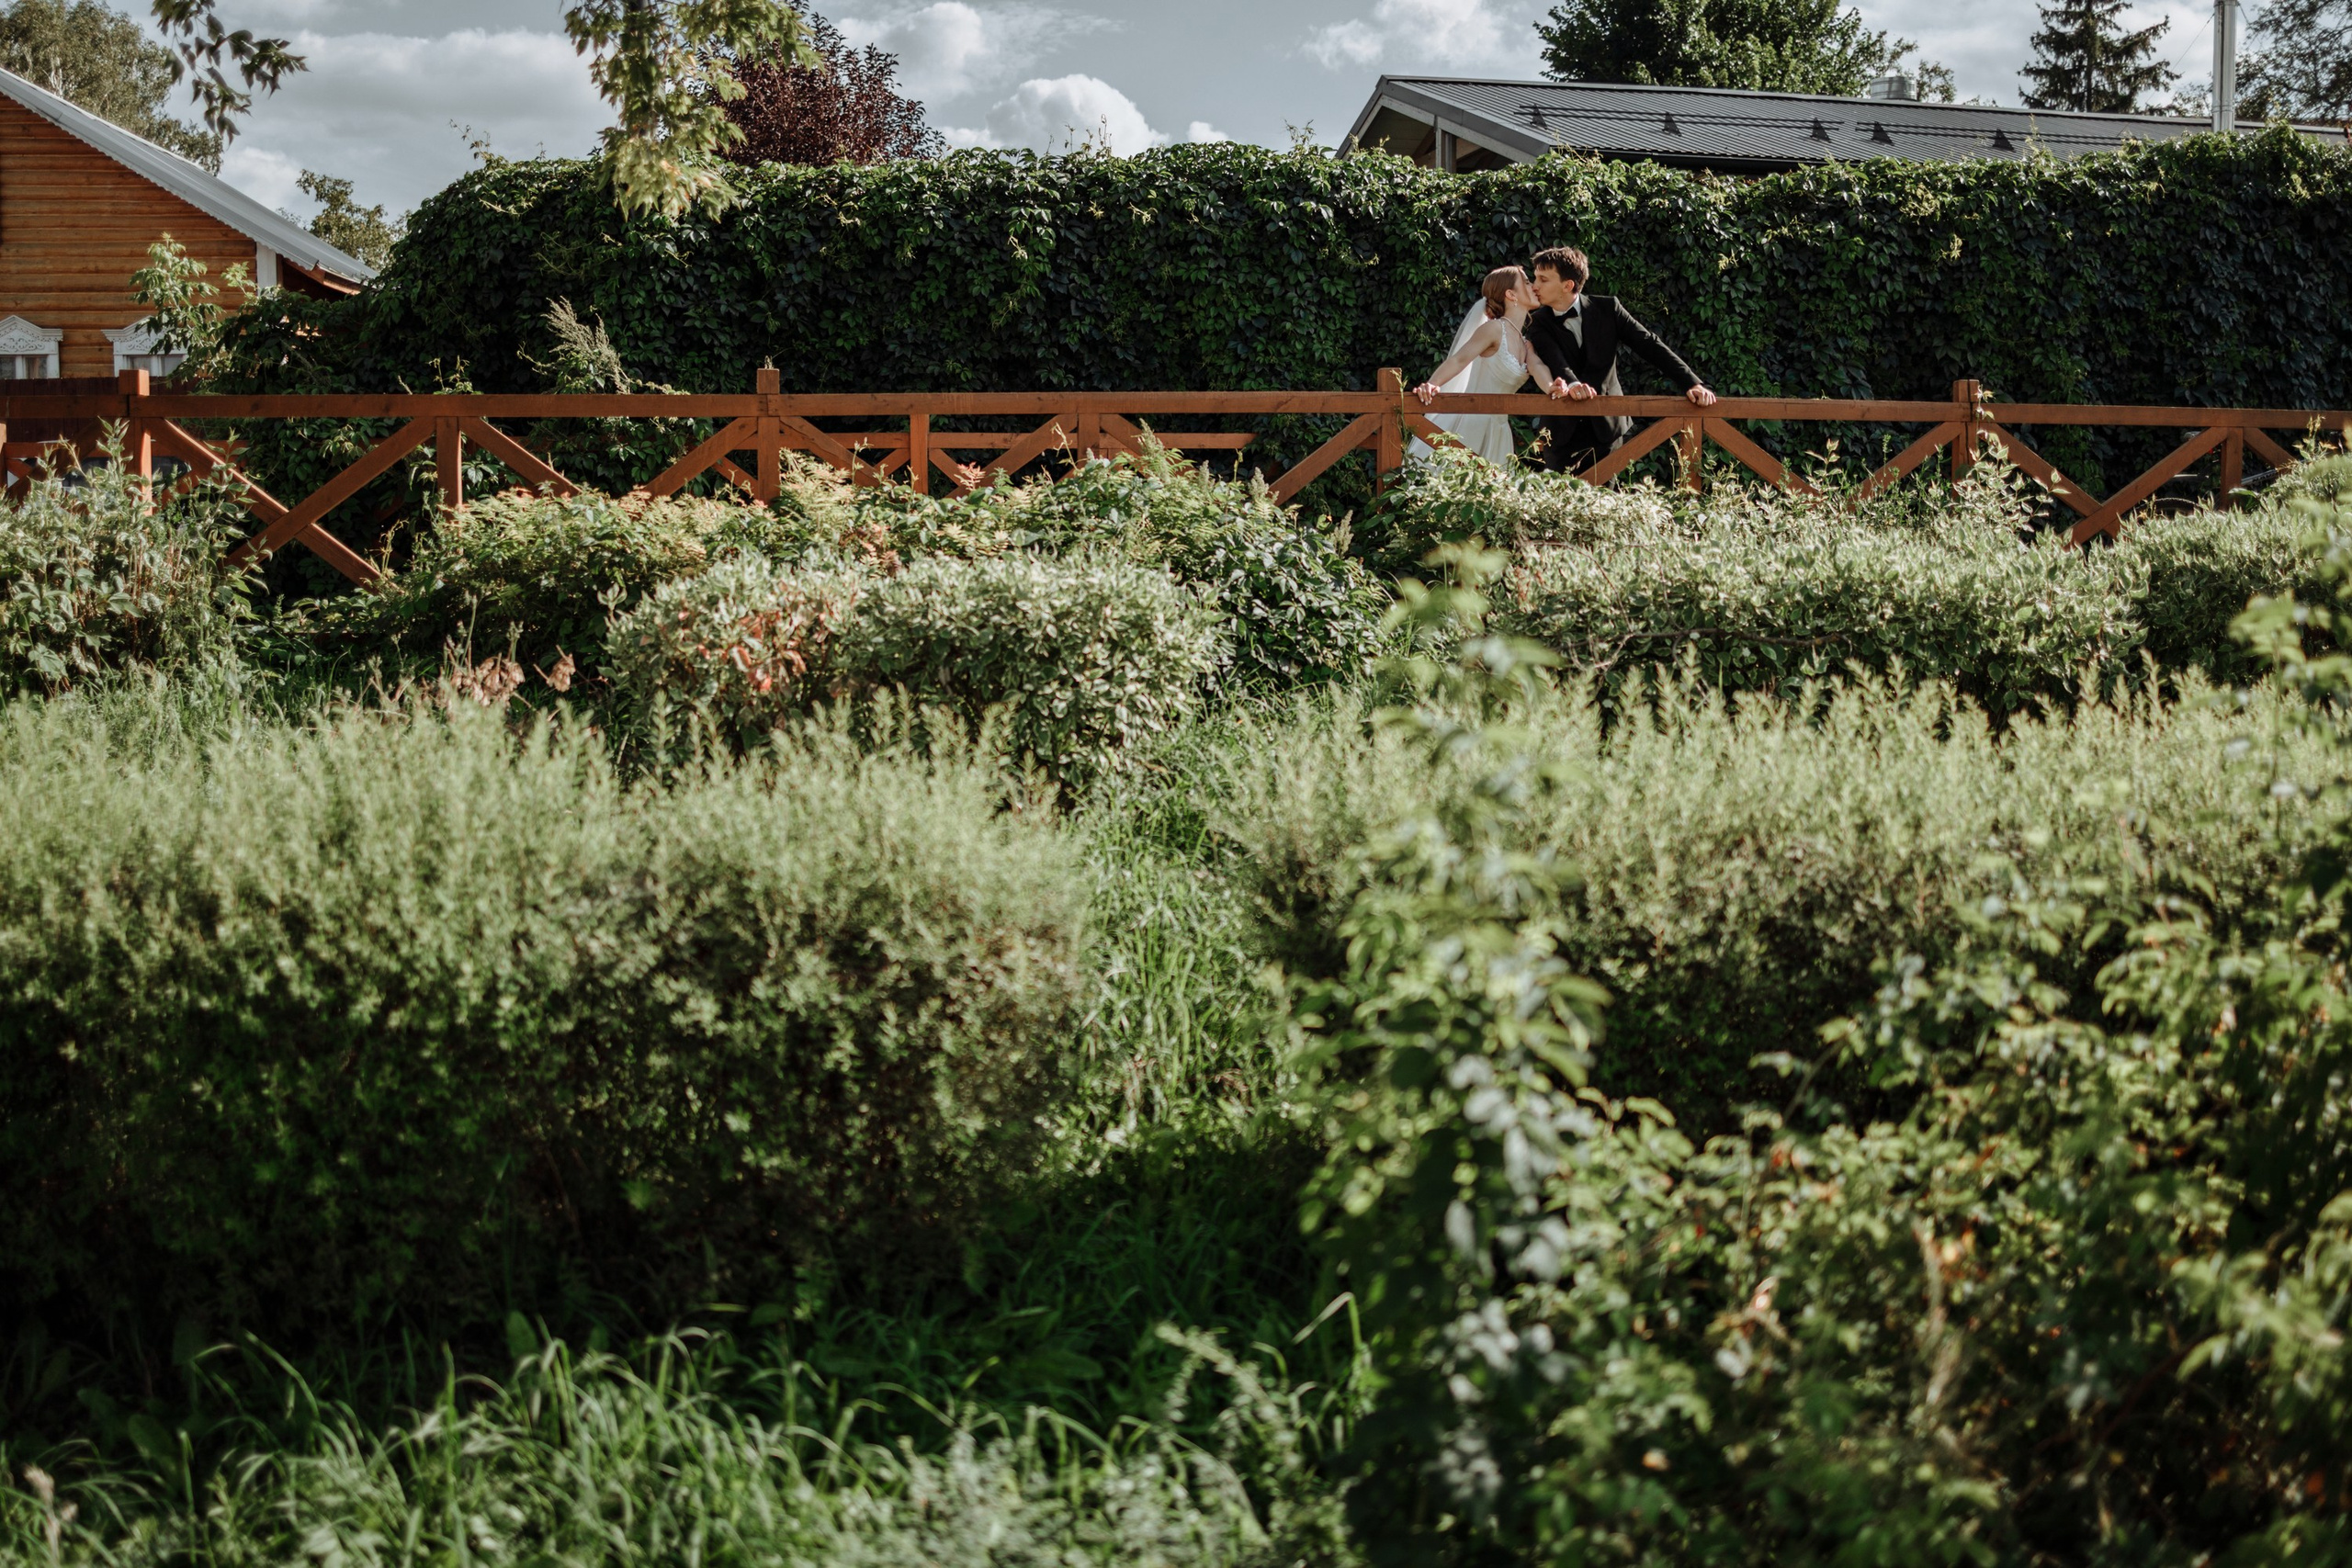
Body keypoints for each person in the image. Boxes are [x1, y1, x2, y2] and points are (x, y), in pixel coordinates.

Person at [1521, 245, 1716, 474]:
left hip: (1607, 428)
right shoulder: (1538, 322)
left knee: (1606, 502)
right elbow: (1555, 360)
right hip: (1561, 431)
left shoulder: (1608, 309)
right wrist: (1573, 385)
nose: (1534, 286)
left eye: (1543, 279)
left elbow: (1649, 345)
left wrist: (1692, 383)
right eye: (1535, 278)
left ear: (1568, 285)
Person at [1409, 265, 1540, 468]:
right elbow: (1459, 359)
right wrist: (1432, 384)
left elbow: (1540, 369)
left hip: (1499, 430)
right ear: (1511, 294)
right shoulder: (1493, 329)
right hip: (1470, 425)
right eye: (1526, 282)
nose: (1533, 286)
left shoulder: (1525, 343)